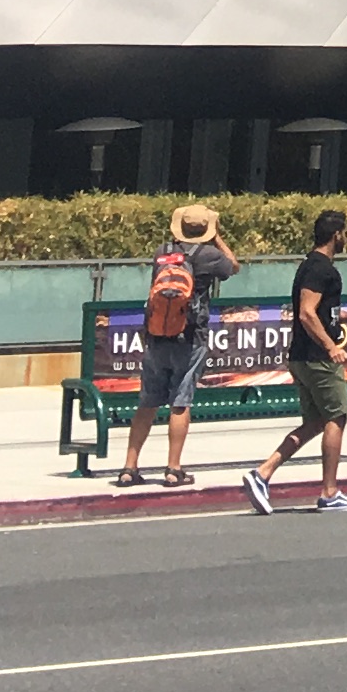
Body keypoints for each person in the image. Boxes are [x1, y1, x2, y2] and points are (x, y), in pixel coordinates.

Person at [244, 208, 347, 515]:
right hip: (317, 358)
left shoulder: (312, 267)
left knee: (316, 422)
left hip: (303, 356)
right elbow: (307, 313)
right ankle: (329, 492)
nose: (346, 238)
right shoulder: (320, 269)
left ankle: (263, 473)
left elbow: (323, 312)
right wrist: (330, 346)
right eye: (345, 233)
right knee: (337, 417)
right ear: (337, 235)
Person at [116, 202, 237, 489]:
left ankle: (129, 467)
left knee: (147, 401)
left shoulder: (162, 253)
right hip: (189, 337)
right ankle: (173, 468)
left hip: (156, 336)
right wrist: (217, 237)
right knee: (180, 403)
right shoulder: (209, 255)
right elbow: (233, 266)